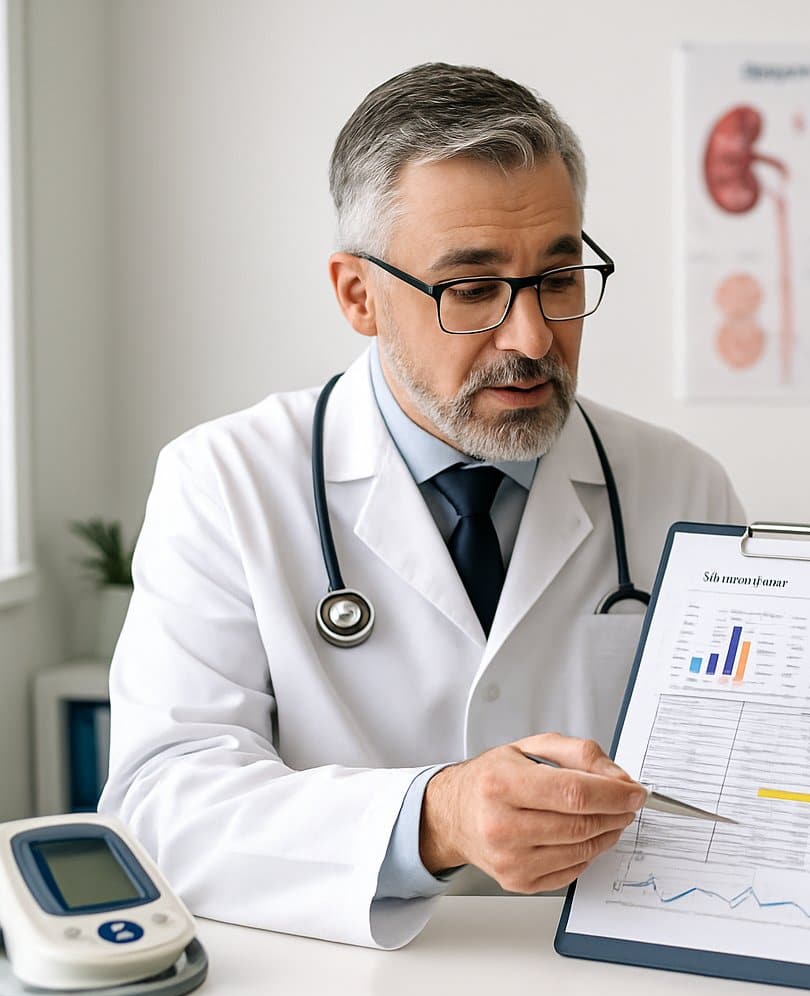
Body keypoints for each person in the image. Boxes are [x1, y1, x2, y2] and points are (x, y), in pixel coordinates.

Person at [99, 63, 743, 949]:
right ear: (358, 295)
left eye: (558, 277)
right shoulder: (225, 482)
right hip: (340, 983)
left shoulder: (682, 488)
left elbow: (746, 779)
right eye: (471, 291)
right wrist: (433, 818)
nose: (531, 338)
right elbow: (163, 802)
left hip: (615, 975)